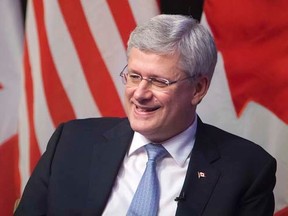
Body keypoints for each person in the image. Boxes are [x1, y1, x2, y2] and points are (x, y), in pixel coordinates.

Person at [14, 14, 276, 216]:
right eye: (134, 76)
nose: (139, 94)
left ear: (198, 89)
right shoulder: (71, 142)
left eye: (159, 81)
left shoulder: (246, 170)